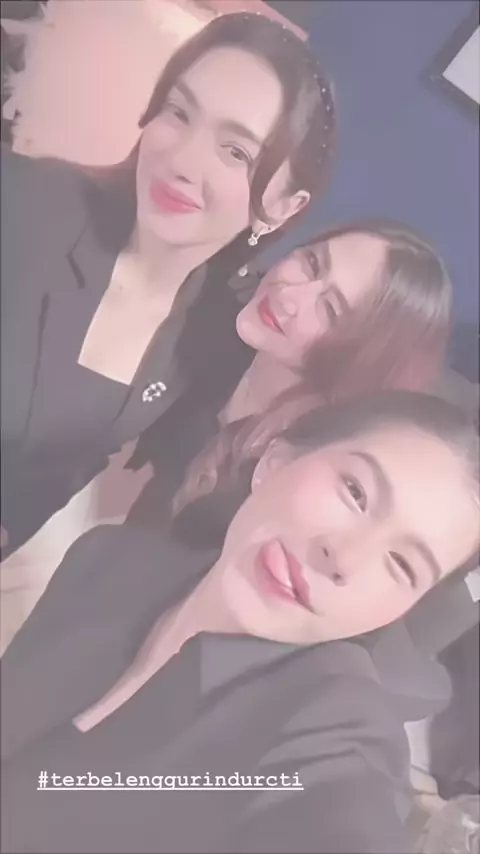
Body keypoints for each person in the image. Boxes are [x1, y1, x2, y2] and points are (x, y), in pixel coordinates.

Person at [1, 390, 478, 854]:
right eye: (356, 492)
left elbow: (337, 812)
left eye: (402, 564)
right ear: (275, 462)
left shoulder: (331, 729)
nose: (344, 557)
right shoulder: (109, 560)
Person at [0, 12, 336, 559]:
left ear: (282, 207)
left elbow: (75, 461)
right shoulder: (25, 204)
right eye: (178, 112)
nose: (181, 160)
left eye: (236, 152)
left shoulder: (209, 336)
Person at [126, 218, 452, 528]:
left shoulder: (302, 465)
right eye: (312, 263)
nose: (289, 295)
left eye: (330, 309)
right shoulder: (216, 315)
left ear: (362, 359)